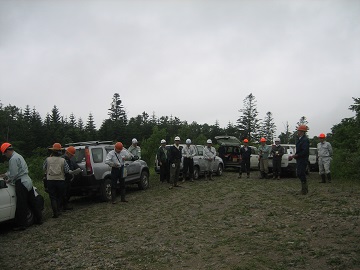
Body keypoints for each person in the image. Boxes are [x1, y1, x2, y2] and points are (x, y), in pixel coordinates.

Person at [0, 142, 43, 230]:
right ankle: (39, 219)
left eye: (5, 154)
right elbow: (17, 170)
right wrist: (5, 174)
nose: (5, 156)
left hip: (21, 182)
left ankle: (22, 224)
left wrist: (8, 180)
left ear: (7, 151)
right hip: (28, 180)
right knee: (32, 201)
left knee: (21, 204)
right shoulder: (18, 156)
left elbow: (14, 173)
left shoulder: (12, 159)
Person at [43, 143, 70, 218]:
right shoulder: (63, 160)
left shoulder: (47, 159)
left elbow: (43, 168)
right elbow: (67, 170)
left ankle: (55, 213)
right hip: (60, 180)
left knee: (52, 197)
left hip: (50, 180)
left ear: (53, 151)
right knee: (59, 196)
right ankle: (58, 210)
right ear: (60, 152)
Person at [289, 125, 310, 195]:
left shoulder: (305, 140)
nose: (298, 132)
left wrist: (296, 155)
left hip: (303, 159)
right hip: (299, 159)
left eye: (299, 131)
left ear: (302, 132)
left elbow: (305, 151)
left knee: (301, 173)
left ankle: (304, 190)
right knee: (299, 173)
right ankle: (304, 189)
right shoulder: (300, 139)